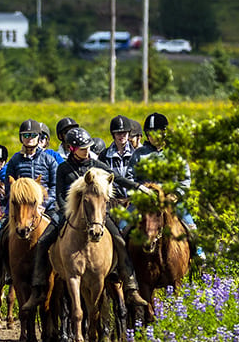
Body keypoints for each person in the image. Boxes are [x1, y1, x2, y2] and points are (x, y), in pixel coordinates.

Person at [21, 127, 148, 311]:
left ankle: (130, 286)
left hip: (96, 214)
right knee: (42, 242)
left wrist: (138, 187)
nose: (87, 151)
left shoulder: (96, 165)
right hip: (69, 212)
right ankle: (38, 288)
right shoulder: (64, 168)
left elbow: (118, 179)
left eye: (88, 147)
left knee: (119, 240)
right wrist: (70, 210)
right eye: (82, 148)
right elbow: (59, 195)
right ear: (72, 149)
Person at [0, 119, 59, 287]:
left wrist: (45, 204)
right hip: (20, 210)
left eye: (32, 135)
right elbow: (8, 188)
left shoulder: (49, 160)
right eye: (25, 135)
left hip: (44, 208)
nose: (29, 138)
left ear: (38, 137)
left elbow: (56, 185)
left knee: (61, 231)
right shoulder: (14, 161)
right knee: (1, 234)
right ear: (21, 138)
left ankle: (61, 269)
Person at [127, 112, 204, 259]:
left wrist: (176, 195)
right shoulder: (139, 154)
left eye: (157, 133)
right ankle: (121, 263)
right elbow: (130, 178)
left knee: (191, 228)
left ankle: (200, 257)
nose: (153, 137)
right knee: (123, 227)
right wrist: (139, 192)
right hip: (145, 201)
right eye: (150, 133)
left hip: (171, 200)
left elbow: (185, 180)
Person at [99, 115, 136, 200]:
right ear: (113, 134)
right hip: (113, 201)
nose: (122, 136)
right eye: (118, 133)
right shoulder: (104, 156)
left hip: (133, 200)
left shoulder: (136, 153)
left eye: (125, 133)